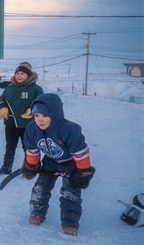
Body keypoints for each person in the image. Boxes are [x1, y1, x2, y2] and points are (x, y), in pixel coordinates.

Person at [22, 93, 95, 236]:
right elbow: (32, 150)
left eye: (44, 115)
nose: (40, 120)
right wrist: (31, 166)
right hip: (50, 160)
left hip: (71, 162)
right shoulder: (32, 129)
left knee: (70, 192)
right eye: (36, 116)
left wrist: (82, 173)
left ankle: (70, 222)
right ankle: (37, 212)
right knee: (41, 187)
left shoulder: (69, 129)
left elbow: (81, 153)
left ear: (55, 114)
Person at [0, 62, 43, 175]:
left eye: (22, 73)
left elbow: (41, 102)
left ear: (29, 75)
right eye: (17, 73)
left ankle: (30, 168)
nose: (19, 76)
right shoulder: (10, 88)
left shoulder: (36, 89)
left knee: (28, 147)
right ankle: (6, 167)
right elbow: (2, 98)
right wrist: (3, 107)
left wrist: (32, 110)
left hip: (28, 124)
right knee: (10, 146)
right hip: (11, 123)